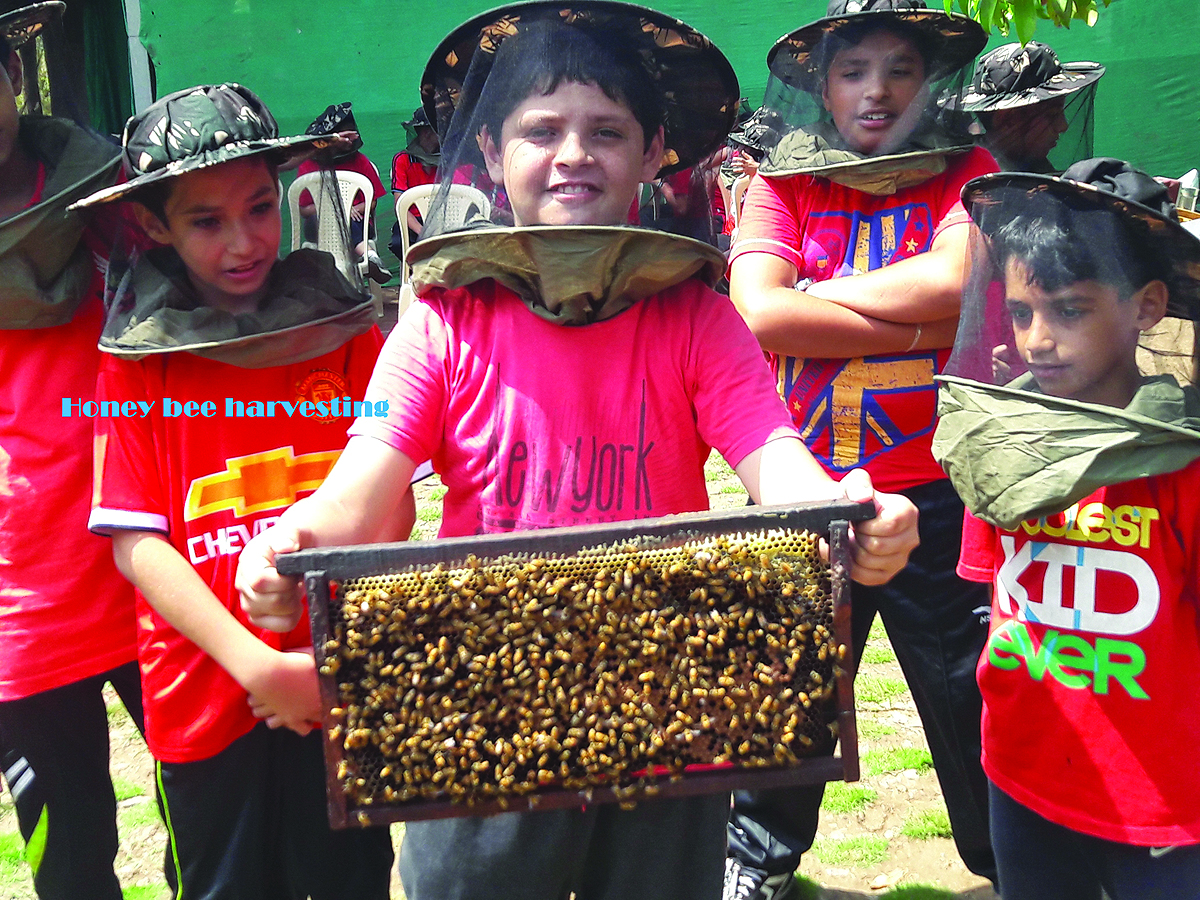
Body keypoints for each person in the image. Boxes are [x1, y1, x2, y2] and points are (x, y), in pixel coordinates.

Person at [235, 4, 920, 899]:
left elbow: (775, 459)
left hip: (667, 691)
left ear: (652, 153)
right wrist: (292, 539)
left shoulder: (697, 317)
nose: (573, 154)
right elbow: (360, 485)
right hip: (483, 695)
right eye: (540, 129)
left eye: (606, 131)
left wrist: (850, 511)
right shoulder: (440, 321)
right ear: (488, 153)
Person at [71, 82, 398, 898]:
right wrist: (258, 666)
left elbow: (392, 503)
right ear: (151, 224)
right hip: (206, 698)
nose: (245, 241)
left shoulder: (348, 330)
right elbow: (137, 543)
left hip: (339, 683)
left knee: (352, 880)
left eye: (259, 207)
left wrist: (319, 661)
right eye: (205, 220)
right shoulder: (134, 363)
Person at [722, 2, 1001, 898]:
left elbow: (962, 282)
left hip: (945, 492)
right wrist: (915, 317)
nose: (875, 90)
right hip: (806, 490)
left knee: (970, 691)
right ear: (822, 84)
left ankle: (1008, 863)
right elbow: (759, 310)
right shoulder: (784, 184)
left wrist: (825, 298)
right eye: (853, 71)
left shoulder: (969, 172)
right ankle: (755, 864)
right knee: (791, 683)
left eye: (899, 69)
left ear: (930, 83)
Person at [932, 158, 1200, 899]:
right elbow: (993, 602)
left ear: (1146, 306)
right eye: (1021, 313)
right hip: (1022, 773)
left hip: (1164, 805)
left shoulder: (1183, 465)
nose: (1037, 339)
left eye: (1070, 310)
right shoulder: (1002, 443)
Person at [0, 4, 147, 898]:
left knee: (202, 832)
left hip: (153, 562)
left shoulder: (115, 201)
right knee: (71, 862)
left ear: (12, 77)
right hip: (20, 597)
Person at [958, 41, 1104, 173]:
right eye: (1052, 115)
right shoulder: (971, 179)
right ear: (1008, 119)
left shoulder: (1031, 165)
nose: (1063, 126)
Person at [299, 101, 392, 282]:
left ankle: (371, 261)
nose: (351, 140)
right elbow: (304, 210)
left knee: (349, 219)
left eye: (353, 134)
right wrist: (338, 209)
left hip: (358, 224)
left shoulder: (360, 161)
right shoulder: (308, 164)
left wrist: (354, 209)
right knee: (339, 216)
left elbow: (372, 200)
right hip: (319, 228)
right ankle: (368, 255)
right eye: (345, 135)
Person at [389, 105, 440, 255]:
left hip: (443, 220)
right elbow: (400, 205)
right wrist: (422, 231)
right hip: (413, 221)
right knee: (399, 244)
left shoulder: (449, 159)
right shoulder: (402, 160)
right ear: (425, 132)